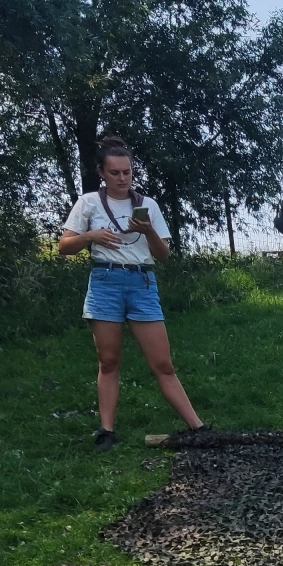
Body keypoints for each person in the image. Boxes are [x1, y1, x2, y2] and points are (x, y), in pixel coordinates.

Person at [58, 136, 207, 452]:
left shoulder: (147, 205)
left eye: (127, 172)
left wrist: (148, 230)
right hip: (104, 281)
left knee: (163, 363)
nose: (123, 178)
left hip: (142, 284)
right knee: (108, 361)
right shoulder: (88, 203)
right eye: (115, 173)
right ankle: (107, 431)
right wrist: (90, 236)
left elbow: (164, 255)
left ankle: (198, 427)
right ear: (102, 172)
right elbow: (64, 247)